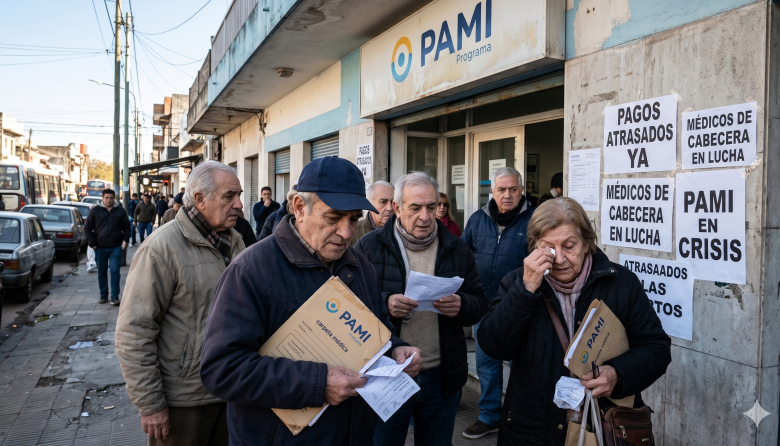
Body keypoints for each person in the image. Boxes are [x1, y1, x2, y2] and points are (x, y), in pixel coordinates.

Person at [200, 157, 422, 445]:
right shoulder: (251, 271)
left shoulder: (360, 267)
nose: (346, 232)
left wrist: (396, 350)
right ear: (299, 208)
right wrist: (317, 383)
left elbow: (377, 331)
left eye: (353, 219)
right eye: (333, 218)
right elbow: (222, 369)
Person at [477, 198, 671, 446]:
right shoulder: (517, 282)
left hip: (602, 426)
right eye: (548, 248)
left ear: (587, 243)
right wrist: (525, 290)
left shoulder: (622, 283)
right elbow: (493, 345)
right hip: (531, 428)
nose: (559, 259)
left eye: (569, 246)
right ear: (534, 246)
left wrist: (617, 374)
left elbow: (656, 348)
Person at [115, 161, 246, 445]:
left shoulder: (236, 242)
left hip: (231, 389)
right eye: (229, 196)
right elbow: (133, 333)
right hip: (183, 402)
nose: (238, 204)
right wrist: (150, 403)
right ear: (199, 199)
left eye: (239, 195)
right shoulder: (160, 248)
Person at [354, 172, 487, 446]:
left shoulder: (457, 249)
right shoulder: (368, 247)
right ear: (397, 207)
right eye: (415, 208)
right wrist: (385, 304)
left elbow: (479, 302)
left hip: (441, 376)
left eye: (431, 207)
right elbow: (349, 305)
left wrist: (462, 305)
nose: (425, 216)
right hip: (388, 372)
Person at [460, 166, 534, 439]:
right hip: (484, 307)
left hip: (520, 308)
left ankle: (519, 417)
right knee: (486, 364)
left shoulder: (534, 220)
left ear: (522, 190)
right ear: (491, 191)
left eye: (513, 189)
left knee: (521, 367)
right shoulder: (477, 219)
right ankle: (489, 416)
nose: (507, 195)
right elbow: (462, 257)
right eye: (501, 190)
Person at [84, 189, 130, 305]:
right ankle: (103, 295)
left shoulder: (120, 211)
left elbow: (126, 226)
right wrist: (92, 243)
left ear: (114, 198)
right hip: (100, 247)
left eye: (111, 198)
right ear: (102, 198)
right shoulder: (95, 211)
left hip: (116, 246)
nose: (109, 200)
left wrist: (125, 240)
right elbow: (87, 228)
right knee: (102, 272)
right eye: (106, 198)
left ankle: (115, 297)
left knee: (115, 271)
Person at [350, 180, 394, 246]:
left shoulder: (403, 232)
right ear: (370, 204)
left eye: (392, 202)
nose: (390, 208)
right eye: (383, 202)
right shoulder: (353, 232)